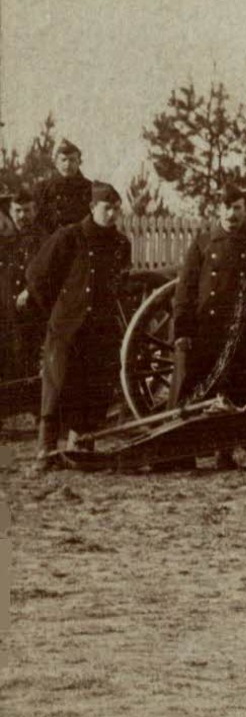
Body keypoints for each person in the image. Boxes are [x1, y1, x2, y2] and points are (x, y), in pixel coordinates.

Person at [170, 187, 246, 467]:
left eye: (237, 208)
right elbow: (185, 290)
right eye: (226, 208)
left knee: (239, 391)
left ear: (245, 211)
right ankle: (183, 452)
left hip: (243, 332)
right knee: (197, 390)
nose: (232, 214)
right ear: (216, 210)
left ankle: (227, 451)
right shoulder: (203, 243)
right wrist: (182, 330)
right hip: (206, 329)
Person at [25, 183, 132, 471]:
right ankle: (46, 451)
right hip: (66, 327)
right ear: (92, 207)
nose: (112, 214)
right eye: (106, 208)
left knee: (94, 388)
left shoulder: (121, 244)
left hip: (101, 329)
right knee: (58, 385)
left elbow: (122, 285)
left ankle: (81, 447)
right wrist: (58, 309)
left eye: (116, 208)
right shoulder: (69, 237)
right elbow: (36, 275)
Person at [0, 188, 47, 385]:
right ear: (10, 212)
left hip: (31, 306)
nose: (22, 216)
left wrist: (29, 290)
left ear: (35, 211)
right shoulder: (5, 239)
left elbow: (47, 270)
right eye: (18, 211)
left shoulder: (43, 238)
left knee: (28, 351)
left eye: (27, 211)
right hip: (6, 305)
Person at [35, 140, 94, 232]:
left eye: (72, 160)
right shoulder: (43, 188)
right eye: (63, 160)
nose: (67, 164)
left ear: (79, 162)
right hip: (52, 240)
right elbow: (38, 220)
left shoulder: (90, 188)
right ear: (56, 163)